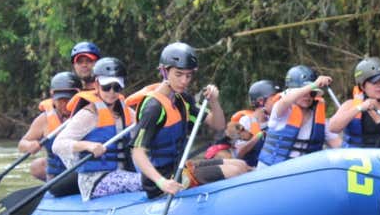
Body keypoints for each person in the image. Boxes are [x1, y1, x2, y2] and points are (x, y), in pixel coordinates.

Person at [131, 42, 250, 198]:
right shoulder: (153, 108)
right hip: (163, 181)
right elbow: (137, 152)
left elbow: (218, 125)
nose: (184, 81)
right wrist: (161, 182)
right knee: (234, 171)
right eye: (178, 74)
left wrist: (214, 101)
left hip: (181, 168)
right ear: (164, 72)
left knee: (241, 165)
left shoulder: (183, 99)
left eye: (188, 75)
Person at [53, 57, 141, 201]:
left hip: (122, 173)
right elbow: (58, 145)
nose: (111, 92)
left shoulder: (127, 113)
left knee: (154, 176)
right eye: (106, 87)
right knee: (146, 181)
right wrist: (86, 145)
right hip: (95, 181)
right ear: (96, 84)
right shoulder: (88, 114)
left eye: (116, 87)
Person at [257, 65, 341, 167]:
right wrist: (314, 84)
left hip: (300, 172)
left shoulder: (320, 120)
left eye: (312, 93)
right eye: (304, 91)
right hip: (272, 169)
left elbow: (337, 144)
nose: (307, 96)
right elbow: (286, 100)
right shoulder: (280, 109)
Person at [17, 72, 82, 196]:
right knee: (36, 166)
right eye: (60, 100)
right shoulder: (44, 119)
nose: (65, 104)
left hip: (82, 171)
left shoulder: (87, 113)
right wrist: (29, 145)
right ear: (53, 98)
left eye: (69, 100)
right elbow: (22, 144)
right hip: (57, 176)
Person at [230, 79, 279, 166]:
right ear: (261, 101)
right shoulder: (246, 121)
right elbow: (238, 153)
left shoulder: (274, 121)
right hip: (250, 170)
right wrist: (258, 136)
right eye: (274, 99)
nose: (278, 102)